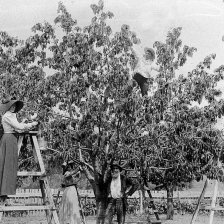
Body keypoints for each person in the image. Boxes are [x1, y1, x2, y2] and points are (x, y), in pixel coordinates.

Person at [0, 98, 38, 204]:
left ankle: (6, 190)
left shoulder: (12, 115)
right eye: (11, 106)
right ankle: (3, 191)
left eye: (14, 106)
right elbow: (18, 126)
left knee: (11, 164)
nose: (13, 107)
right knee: (6, 164)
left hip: (12, 139)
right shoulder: (7, 116)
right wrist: (31, 124)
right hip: (8, 139)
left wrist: (25, 122)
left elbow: (18, 127)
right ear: (8, 107)